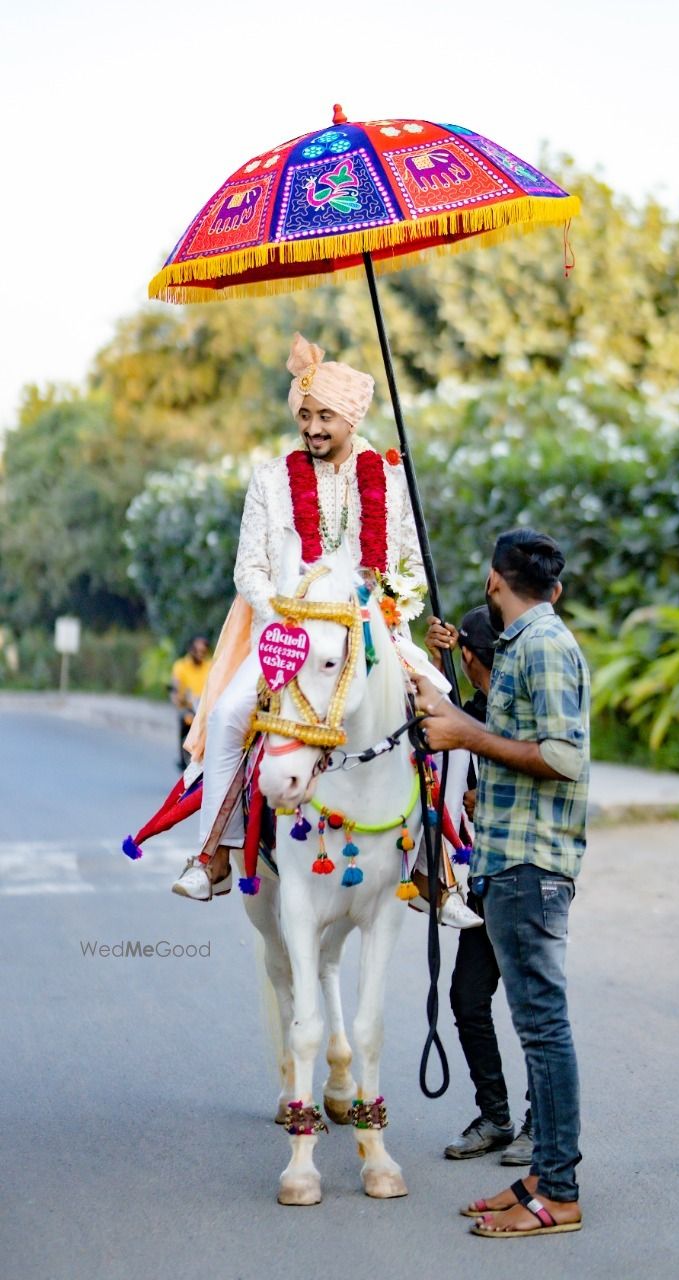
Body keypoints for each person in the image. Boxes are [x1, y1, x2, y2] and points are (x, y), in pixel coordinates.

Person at [171, 332, 478, 928]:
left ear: (353, 416)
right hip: (288, 634)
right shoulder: (270, 480)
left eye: (324, 417)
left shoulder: (389, 479)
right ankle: (213, 855)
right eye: (304, 415)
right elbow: (248, 570)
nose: (311, 428)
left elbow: (410, 567)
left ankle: (435, 868)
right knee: (233, 713)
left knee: (445, 714)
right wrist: (290, 614)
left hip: (372, 633)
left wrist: (388, 605)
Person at [414, 528, 589, 1238]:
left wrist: (464, 734)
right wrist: (456, 695)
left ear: (493, 582)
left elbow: (561, 756)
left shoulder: (544, 646)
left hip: (529, 866)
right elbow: (506, 723)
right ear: (553, 584)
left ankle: (560, 1194)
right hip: (505, 862)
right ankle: (540, 1176)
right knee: (530, 1024)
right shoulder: (521, 646)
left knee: (543, 1032)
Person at [425, 608, 534, 1165]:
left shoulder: (519, 705)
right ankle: (495, 1116)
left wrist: (484, 797)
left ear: (472, 656)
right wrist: (439, 661)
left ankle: (540, 1124)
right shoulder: (471, 709)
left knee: (533, 1007)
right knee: (468, 997)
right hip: (484, 877)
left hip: (528, 873)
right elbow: (442, 723)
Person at [170, 635, 212, 769]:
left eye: (203, 651)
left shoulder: (210, 665)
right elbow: (175, 687)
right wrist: (178, 696)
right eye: (197, 651)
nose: (200, 654)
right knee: (185, 720)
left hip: (207, 708)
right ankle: (183, 758)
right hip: (189, 707)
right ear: (190, 650)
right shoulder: (180, 666)